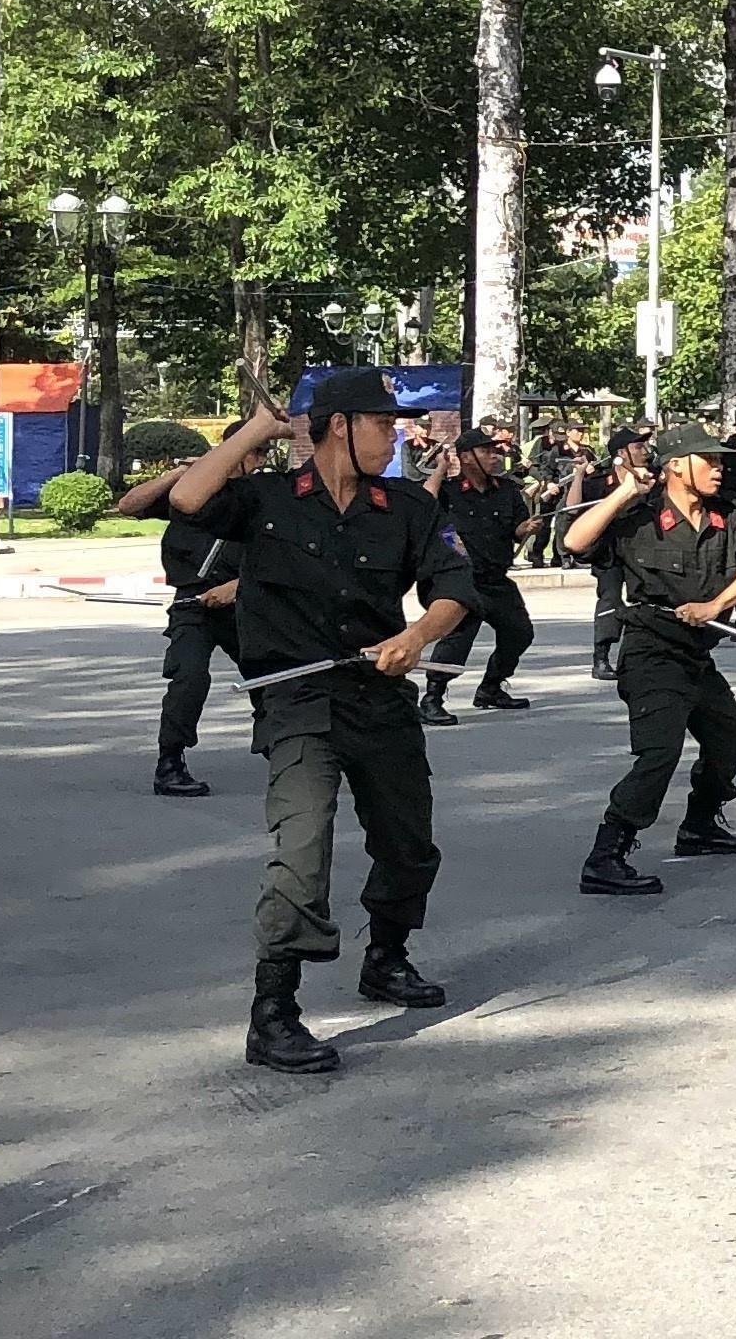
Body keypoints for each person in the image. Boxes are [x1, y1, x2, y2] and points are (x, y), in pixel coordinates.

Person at [170, 370, 478, 1075]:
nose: (395, 435)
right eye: (382, 423)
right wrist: (260, 429)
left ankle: (387, 957)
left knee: (408, 844)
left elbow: (455, 585)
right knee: (301, 853)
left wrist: (416, 636)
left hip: (379, 693)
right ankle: (273, 1013)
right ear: (339, 425)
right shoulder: (269, 499)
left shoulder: (403, 505)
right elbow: (188, 499)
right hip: (297, 698)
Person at [561, 424, 736, 892]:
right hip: (650, 650)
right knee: (660, 751)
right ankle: (607, 854)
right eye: (710, 460)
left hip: (696, 654)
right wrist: (621, 494)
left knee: (729, 737)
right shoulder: (641, 515)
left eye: (720, 461)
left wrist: (717, 606)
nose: (719, 468)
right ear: (676, 465)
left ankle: (699, 825)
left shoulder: (729, 513)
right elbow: (575, 542)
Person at [120, 456, 236, 797]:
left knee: (273, 675)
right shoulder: (187, 492)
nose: (254, 461)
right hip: (193, 604)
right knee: (188, 676)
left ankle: (290, 750)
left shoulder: (260, 494)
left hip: (246, 601)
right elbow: (129, 505)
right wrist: (180, 474)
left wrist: (239, 587)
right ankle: (170, 762)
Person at [419, 423, 537, 723]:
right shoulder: (448, 492)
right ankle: (432, 698)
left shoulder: (507, 490)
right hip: (463, 581)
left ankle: (491, 687)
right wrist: (441, 469)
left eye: (494, 450)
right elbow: (422, 507)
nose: (494, 456)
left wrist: (526, 528)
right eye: (486, 451)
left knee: (519, 633)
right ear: (466, 457)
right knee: (456, 643)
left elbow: (518, 527)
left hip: (496, 579)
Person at [579, 427, 649, 681]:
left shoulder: (652, 480)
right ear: (621, 453)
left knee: (649, 600)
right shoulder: (600, 482)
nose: (644, 452)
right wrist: (578, 476)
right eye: (638, 447)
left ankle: (645, 657)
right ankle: (601, 657)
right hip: (609, 553)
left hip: (643, 550)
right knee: (610, 601)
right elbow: (575, 511)